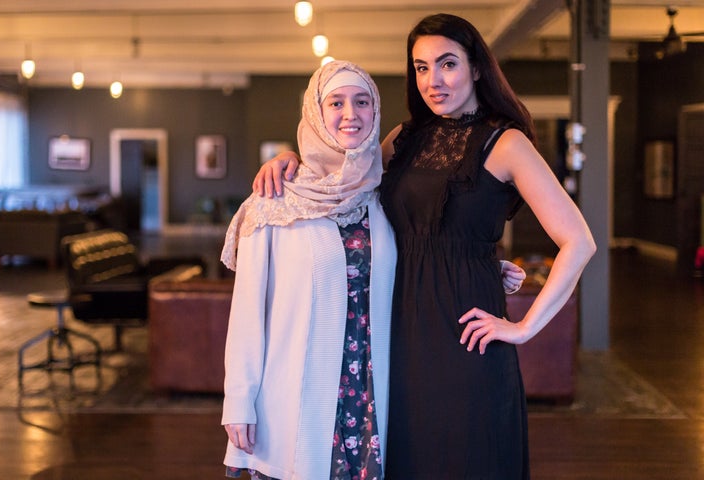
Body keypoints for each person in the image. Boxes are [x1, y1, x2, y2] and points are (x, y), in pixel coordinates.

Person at [252, 13, 596, 480]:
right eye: (421, 67)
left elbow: (579, 241)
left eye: (447, 64)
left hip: (464, 339)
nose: (433, 80)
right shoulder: (405, 137)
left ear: (476, 68)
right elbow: (337, 168)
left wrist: (524, 327)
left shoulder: (506, 143)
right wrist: (287, 159)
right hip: (396, 333)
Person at [220, 60, 397, 480]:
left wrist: (486, 269)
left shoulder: (387, 197)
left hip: (372, 400)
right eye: (336, 102)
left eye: (362, 101)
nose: (350, 114)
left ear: (376, 113)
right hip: (294, 397)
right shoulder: (274, 199)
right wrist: (238, 402)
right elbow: (248, 314)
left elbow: (425, 262)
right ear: (316, 113)